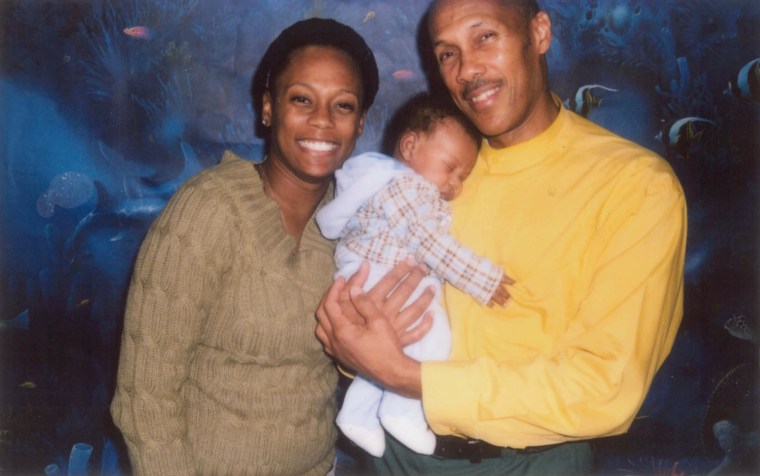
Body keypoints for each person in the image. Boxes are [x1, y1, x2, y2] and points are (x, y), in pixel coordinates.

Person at [315, 0, 688, 474]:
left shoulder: (635, 185)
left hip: (533, 462)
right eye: (447, 53)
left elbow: (607, 387)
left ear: (540, 33)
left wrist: (409, 378)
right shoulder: (439, 167)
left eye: (485, 37)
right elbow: (367, 278)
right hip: (397, 454)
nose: (468, 69)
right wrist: (353, 340)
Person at [110, 18, 379, 475]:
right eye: (302, 99)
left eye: (343, 105)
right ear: (268, 108)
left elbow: (349, 363)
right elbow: (144, 398)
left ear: (359, 125)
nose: (322, 120)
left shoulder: (359, 227)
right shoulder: (206, 212)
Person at [315, 94, 512, 458]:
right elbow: (430, 243)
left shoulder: (393, 183)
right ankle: (399, 411)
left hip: (377, 276)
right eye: (450, 167)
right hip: (382, 276)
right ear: (409, 146)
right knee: (432, 340)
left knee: (392, 349)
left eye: (462, 177)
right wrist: (482, 279)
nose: (454, 185)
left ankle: (359, 414)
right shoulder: (406, 187)